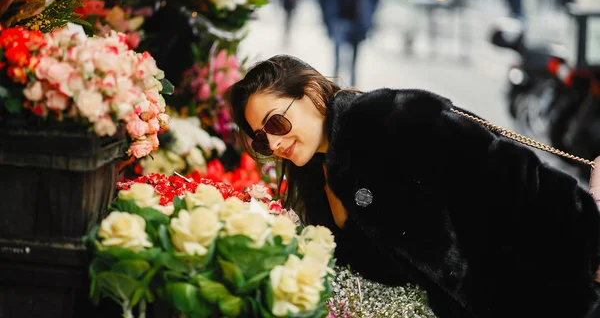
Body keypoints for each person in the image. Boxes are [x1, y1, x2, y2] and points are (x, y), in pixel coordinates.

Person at [226, 54, 600, 318]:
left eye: (275, 124)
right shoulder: (319, 178)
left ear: (309, 91)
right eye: (261, 140)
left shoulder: (388, 118)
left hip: (549, 293)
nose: (273, 145)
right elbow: (393, 272)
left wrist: (593, 247)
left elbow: (516, 177)